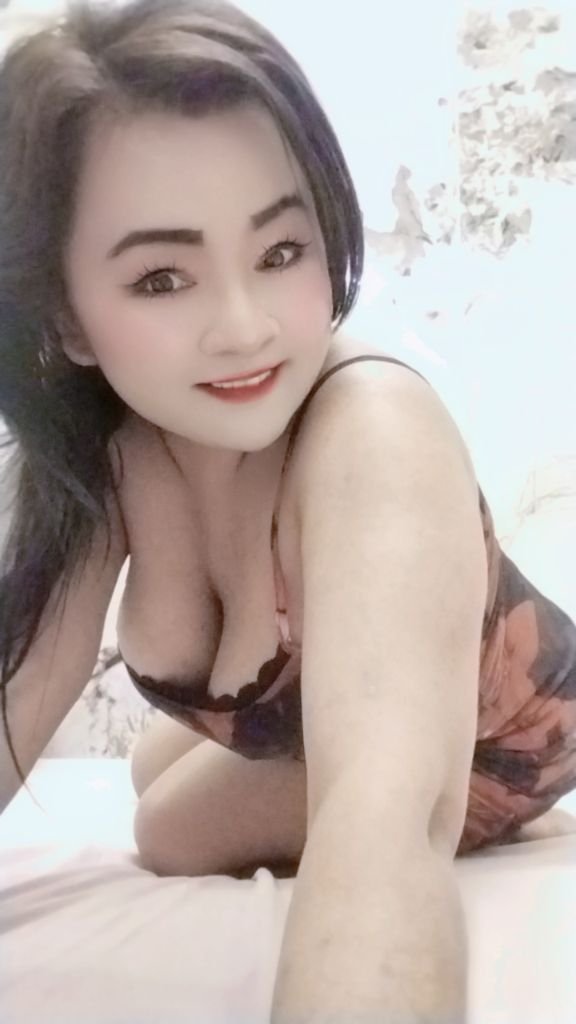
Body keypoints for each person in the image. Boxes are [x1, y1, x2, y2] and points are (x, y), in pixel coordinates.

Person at [0, 0, 575, 1019]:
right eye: (162, 278)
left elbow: (385, 831)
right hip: (309, 719)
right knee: (152, 782)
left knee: (170, 832)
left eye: (279, 252)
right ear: (66, 318)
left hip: (503, 735)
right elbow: (17, 702)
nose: (244, 328)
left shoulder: (375, 433)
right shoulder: (108, 456)